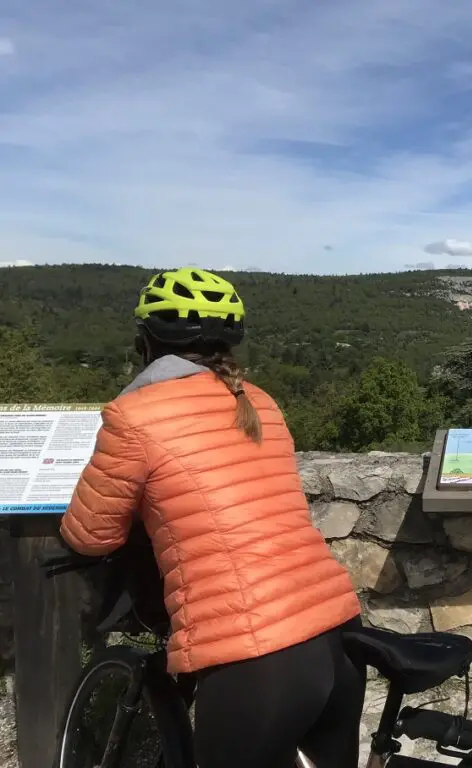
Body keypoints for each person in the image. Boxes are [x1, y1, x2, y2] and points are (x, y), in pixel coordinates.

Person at [59, 267, 365, 768]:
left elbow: (91, 534)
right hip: (334, 638)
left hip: (252, 655)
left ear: (145, 342)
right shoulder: (260, 401)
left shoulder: (134, 416)